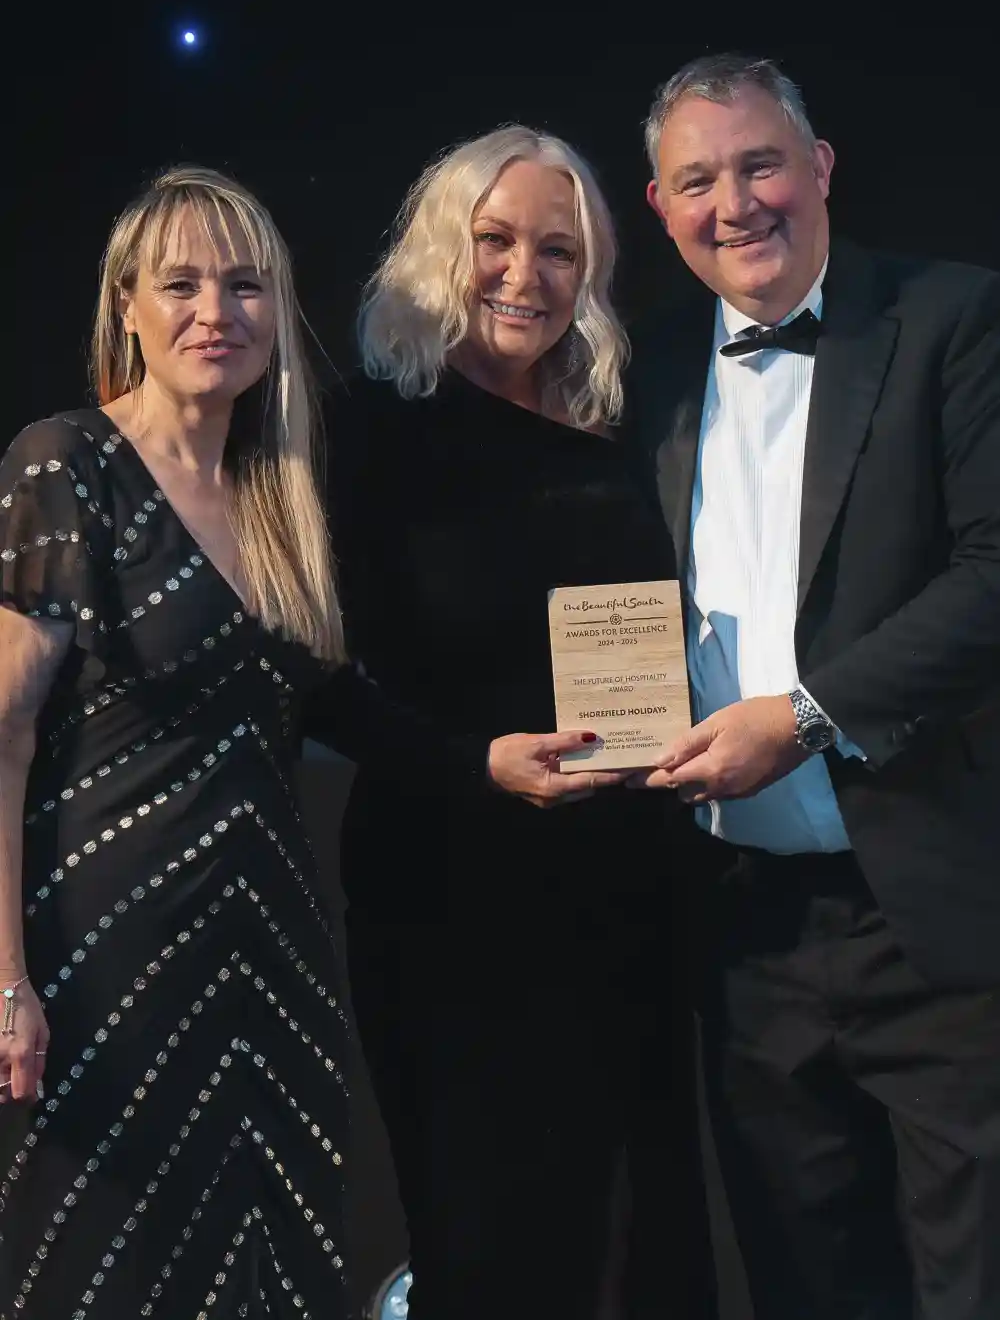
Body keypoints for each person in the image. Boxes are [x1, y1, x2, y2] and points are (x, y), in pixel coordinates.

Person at [0, 166, 614, 1320]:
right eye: (179, 284)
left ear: (277, 311)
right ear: (125, 304)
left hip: (270, 950)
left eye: (245, 286)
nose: (214, 312)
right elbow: (2, 737)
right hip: (107, 956)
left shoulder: (279, 495)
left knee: (271, 1262)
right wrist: (3, 980)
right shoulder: (64, 461)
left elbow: (333, 701)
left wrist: (484, 762)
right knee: (108, 1271)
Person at [626, 52, 1000, 1320]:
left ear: (821, 167)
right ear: (659, 208)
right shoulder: (646, 384)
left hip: (934, 917)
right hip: (743, 931)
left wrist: (802, 717)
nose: (735, 203)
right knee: (806, 1286)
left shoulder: (954, 317)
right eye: (697, 181)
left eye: (760, 163)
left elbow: (996, 571)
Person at [323, 127, 718, 1319]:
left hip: (625, 890)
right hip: (449, 898)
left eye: (559, 251)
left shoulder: (628, 424)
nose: (524, 276)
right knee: (488, 1238)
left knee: (635, 1227)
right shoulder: (359, 435)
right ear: (440, 250)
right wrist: (471, 766)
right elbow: (311, 675)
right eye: (493, 241)